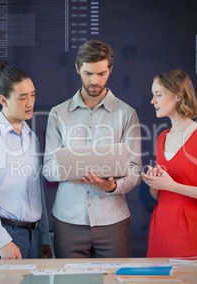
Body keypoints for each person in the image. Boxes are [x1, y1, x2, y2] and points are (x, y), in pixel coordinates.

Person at [43, 39, 142, 258]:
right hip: (68, 220)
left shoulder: (127, 114)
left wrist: (112, 185)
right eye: (88, 73)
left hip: (113, 219)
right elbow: (48, 168)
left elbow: (135, 170)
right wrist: (74, 171)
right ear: (77, 68)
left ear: (111, 70)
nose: (94, 81)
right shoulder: (58, 114)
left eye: (101, 73)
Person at [0, 62, 52, 259]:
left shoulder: (32, 138)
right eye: (22, 97)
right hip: (4, 236)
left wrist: (44, 237)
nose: (30, 103)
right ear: (3, 100)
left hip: (34, 236)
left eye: (32, 94)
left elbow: (38, 192)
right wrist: (3, 242)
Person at [142, 69, 197, 257]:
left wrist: (173, 185)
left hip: (190, 230)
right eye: (153, 95)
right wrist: (155, 183)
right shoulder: (161, 137)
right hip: (160, 228)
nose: (153, 101)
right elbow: (161, 196)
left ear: (178, 96)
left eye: (158, 94)